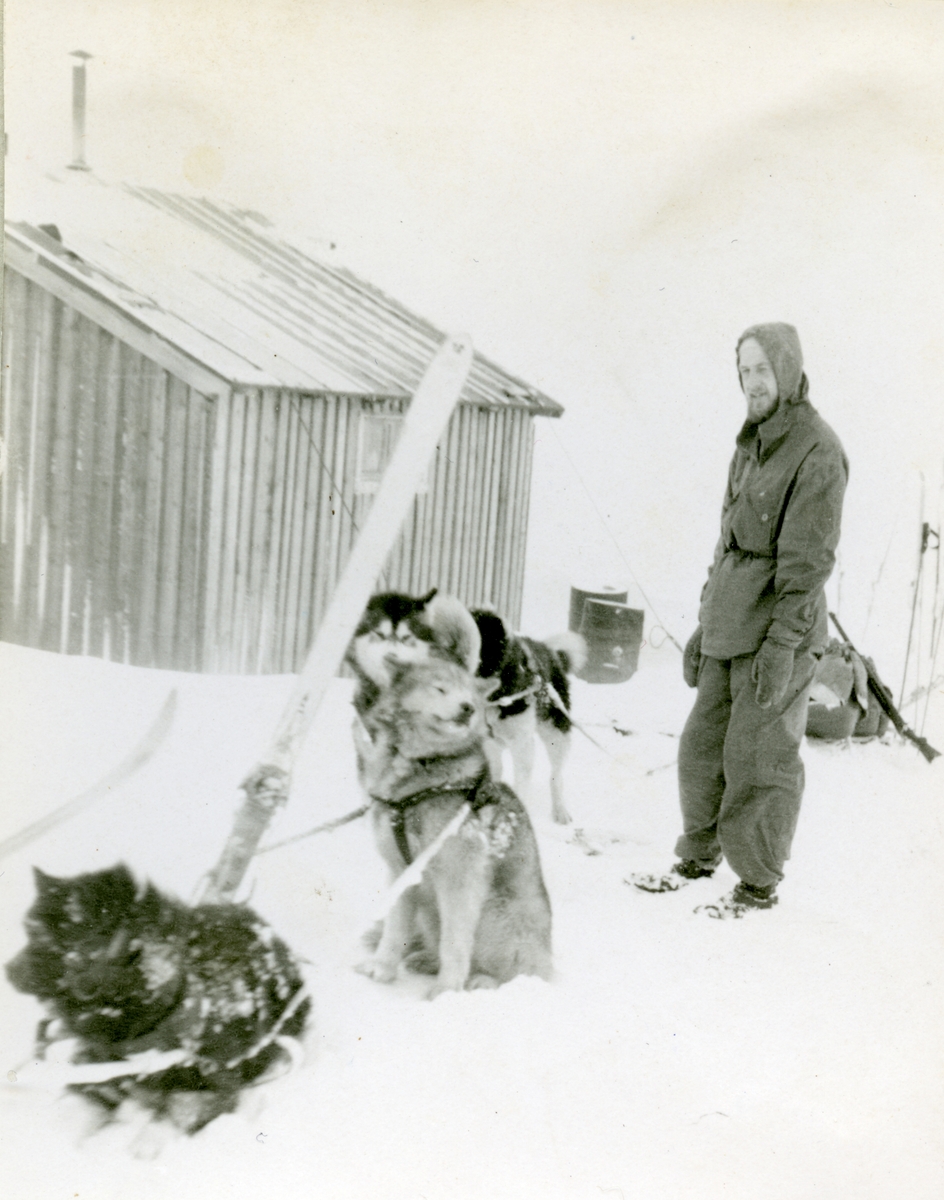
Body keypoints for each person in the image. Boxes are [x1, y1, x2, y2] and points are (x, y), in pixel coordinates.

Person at [633, 322, 848, 917]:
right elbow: (727, 542)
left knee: (759, 759)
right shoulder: (749, 443)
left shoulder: (817, 450)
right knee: (701, 747)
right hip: (731, 625)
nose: (753, 382)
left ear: (788, 369)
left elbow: (807, 564)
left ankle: (757, 884)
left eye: (762, 369)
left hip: (780, 629)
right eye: (744, 370)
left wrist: (782, 645)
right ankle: (698, 856)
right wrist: (707, 621)